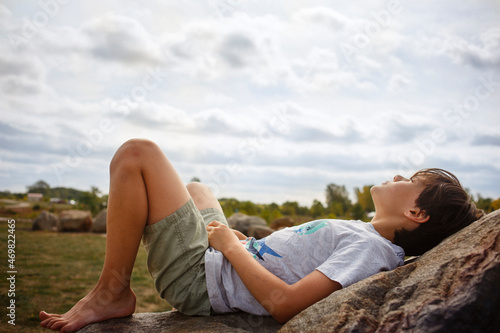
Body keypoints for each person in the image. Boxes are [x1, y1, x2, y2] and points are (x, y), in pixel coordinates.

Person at [39, 139, 483, 332]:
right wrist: (241, 242)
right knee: (197, 189)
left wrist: (232, 248)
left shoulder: (371, 250)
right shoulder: (365, 234)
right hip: (222, 258)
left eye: (414, 179)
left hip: (202, 278)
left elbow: (286, 305)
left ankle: (112, 290)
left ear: (415, 212)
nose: (401, 174)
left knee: (138, 153)